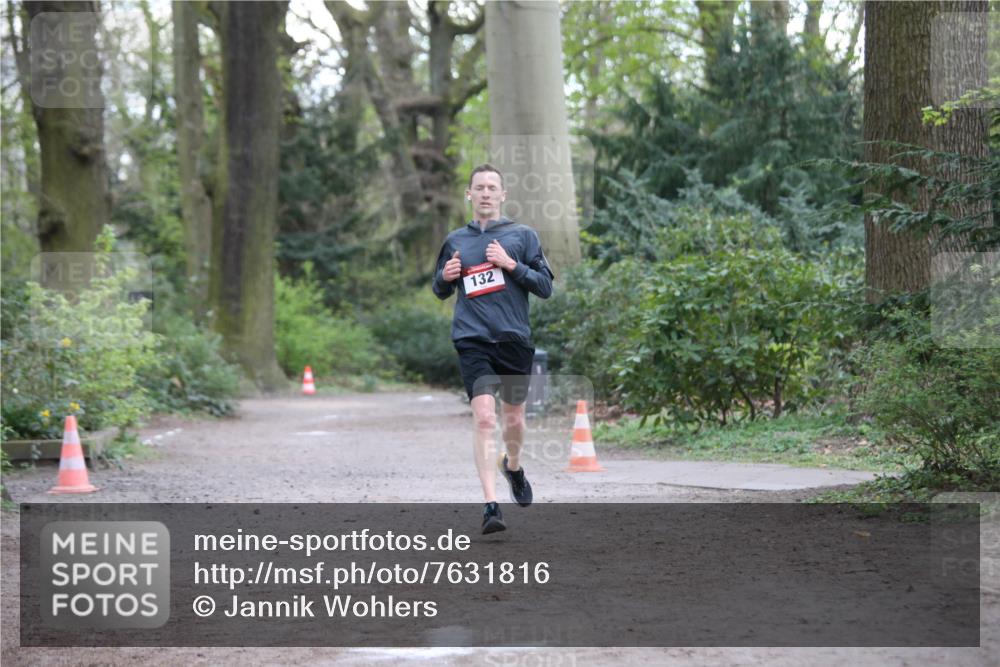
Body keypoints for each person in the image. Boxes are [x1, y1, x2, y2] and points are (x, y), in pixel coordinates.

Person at [432, 164, 554, 534]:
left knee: (513, 419)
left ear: (503, 195)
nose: (485, 193)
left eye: (492, 187)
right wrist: (445, 277)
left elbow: (545, 287)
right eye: (479, 187)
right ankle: (490, 505)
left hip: (514, 339)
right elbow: (439, 288)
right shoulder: (455, 240)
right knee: (485, 417)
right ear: (469, 194)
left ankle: (513, 467)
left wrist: (511, 265)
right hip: (472, 340)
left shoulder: (523, 235)